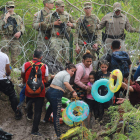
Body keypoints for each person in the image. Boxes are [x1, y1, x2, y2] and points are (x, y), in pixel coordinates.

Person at [42, 63, 77, 139]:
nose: (73, 73)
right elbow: (66, 83)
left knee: (51, 106)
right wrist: (73, 91)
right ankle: (59, 134)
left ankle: (45, 120)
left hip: (49, 92)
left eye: (74, 72)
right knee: (56, 115)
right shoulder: (67, 75)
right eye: (72, 71)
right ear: (67, 69)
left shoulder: (61, 72)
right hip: (56, 94)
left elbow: (52, 76)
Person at [21, 49, 49, 136]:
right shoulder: (44, 66)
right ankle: (34, 130)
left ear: (33, 56)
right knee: (38, 111)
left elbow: (22, 75)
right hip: (40, 91)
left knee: (29, 99)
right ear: (41, 57)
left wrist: (25, 80)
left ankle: (29, 115)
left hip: (29, 89)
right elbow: (46, 79)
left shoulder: (26, 64)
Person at [0, 1, 25, 67]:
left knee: (15, 56)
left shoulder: (18, 17)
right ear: (6, 8)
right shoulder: (2, 17)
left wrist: (20, 32)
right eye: (9, 7)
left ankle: (15, 70)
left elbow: (22, 27)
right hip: (5, 37)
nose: (11, 8)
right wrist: (5, 18)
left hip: (15, 38)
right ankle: (6, 70)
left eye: (12, 7)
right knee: (5, 55)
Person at [0, 51, 22, 120]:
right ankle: (17, 112)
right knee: (12, 94)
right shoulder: (4, 56)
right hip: (2, 80)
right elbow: (8, 71)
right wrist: (7, 74)